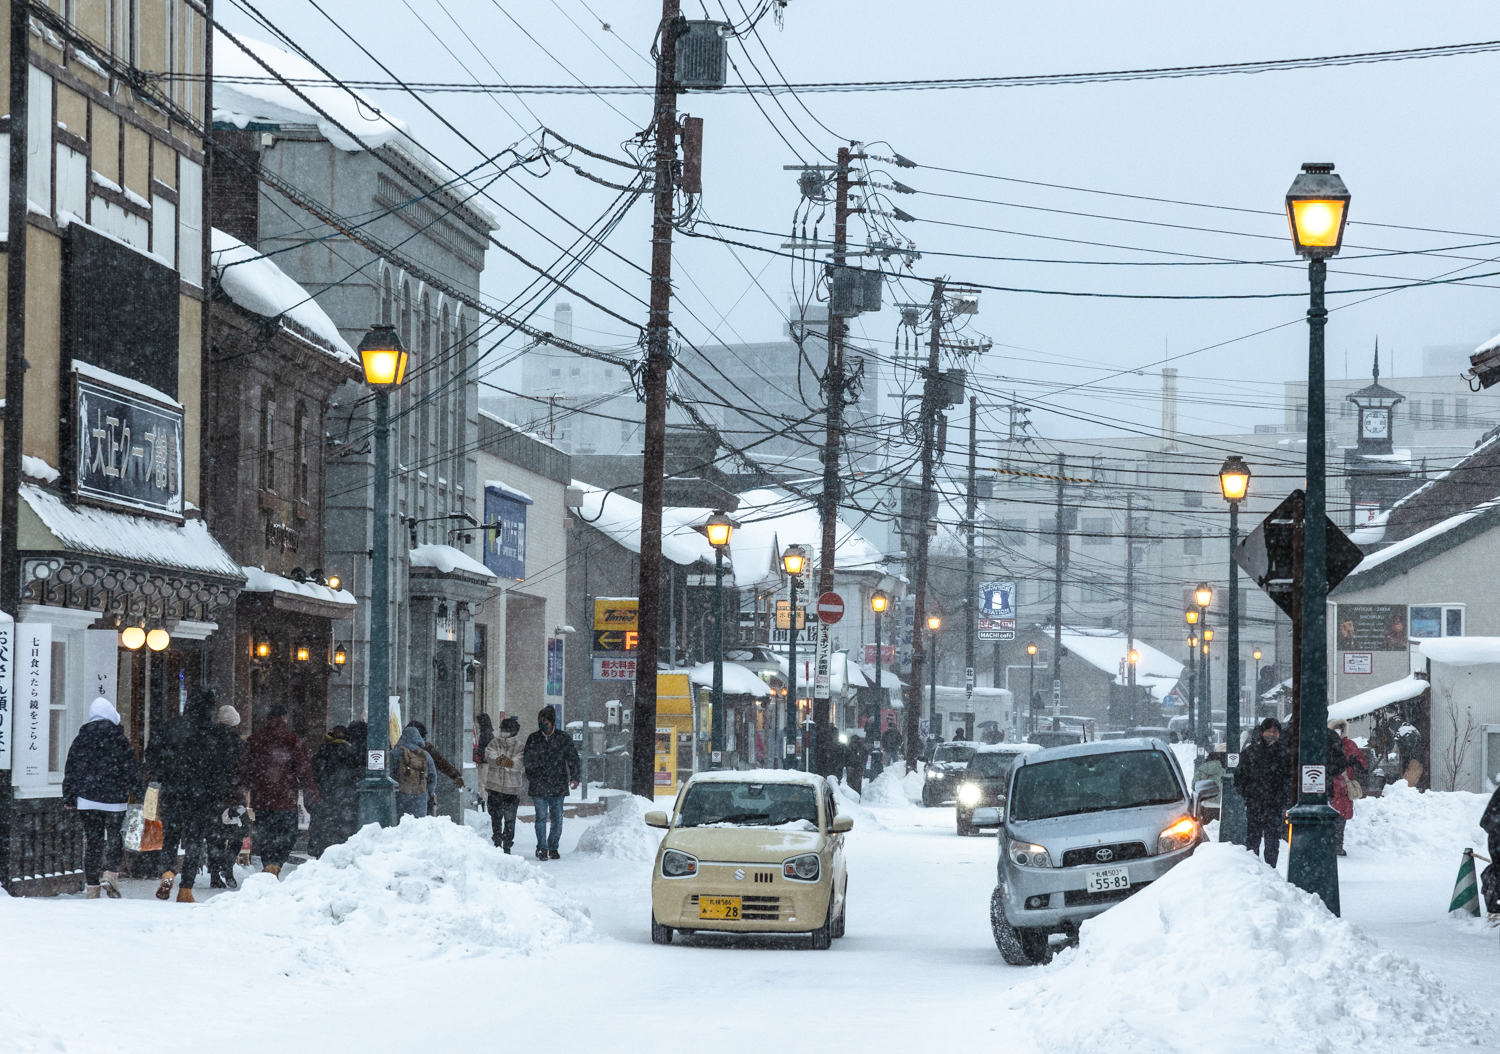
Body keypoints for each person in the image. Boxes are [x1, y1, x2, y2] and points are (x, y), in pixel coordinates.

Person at [146, 687, 241, 903]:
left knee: (170, 836)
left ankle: (168, 871)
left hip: (172, 791)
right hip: (201, 794)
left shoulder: (170, 727)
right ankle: (186, 889)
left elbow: (151, 754)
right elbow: (224, 766)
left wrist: (161, 775)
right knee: (195, 840)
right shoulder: (213, 733)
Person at [62, 699, 145, 899]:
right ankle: (110, 873)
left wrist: (69, 797)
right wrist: (141, 794)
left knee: (94, 842)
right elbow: (131, 770)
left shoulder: (81, 739)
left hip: (87, 799)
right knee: (115, 837)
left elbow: (71, 769)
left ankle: (92, 887)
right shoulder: (119, 739)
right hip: (114, 799)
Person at [235, 703, 320, 878]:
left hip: (262, 798)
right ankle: (276, 864)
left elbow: (244, 770)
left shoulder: (255, 739)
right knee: (289, 835)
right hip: (286, 799)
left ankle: (269, 865)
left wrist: (238, 793)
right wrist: (312, 794)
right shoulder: (292, 739)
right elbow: (303, 770)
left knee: (265, 836)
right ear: (285, 717)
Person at [522, 704, 580, 860]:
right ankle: (542, 847)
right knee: (541, 817)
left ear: (552, 722)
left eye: (545, 721)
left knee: (557, 818)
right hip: (538, 784)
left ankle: (553, 846)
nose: (542, 724)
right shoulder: (533, 738)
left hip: (557, 784)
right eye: (540, 721)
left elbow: (573, 758)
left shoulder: (563, 738)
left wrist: (575, 777)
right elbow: (527, 759)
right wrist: (532, 775)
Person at [1235, 717, 1292, 867]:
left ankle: (1270, 870)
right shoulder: (1250, 753)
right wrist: (1249, 795)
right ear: (1262, 732)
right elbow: (1239, 778)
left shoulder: (1285, 753)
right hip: (1255, 804)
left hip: (1275, 805)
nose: (1272, 734)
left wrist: (1283, 797)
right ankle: (1253, 869)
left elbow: (1289, 778)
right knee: (1253, 842)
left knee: (1272, 842)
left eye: (1275, 731)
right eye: (1269, 731)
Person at [206, 704, 245, 889]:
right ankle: (227, 866)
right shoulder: (240, 744)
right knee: (237, 834)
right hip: (234, 794)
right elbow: (245, 771)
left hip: (211, 794)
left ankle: (215, 875)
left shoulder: (208, 741)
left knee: (215, 837)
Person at [308, 725, 362, 856]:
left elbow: (310, 782)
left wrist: (313, 805)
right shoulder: (354, 758)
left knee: (322, 845)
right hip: (345, 808)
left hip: (323, 806)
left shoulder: (319, 757)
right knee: (342, 846)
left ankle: (321, 855)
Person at [483, 716, 525, 852]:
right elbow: (489, 755)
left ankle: (507, 844)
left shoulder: (519, 746)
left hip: (512, 789)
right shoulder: (494, 743)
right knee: (495, 817)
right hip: (494, 786)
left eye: (507, 730)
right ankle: (497, 841)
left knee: (510, 818)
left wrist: (510, 763)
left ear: (513, 731)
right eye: (503, 729)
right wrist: (499, 760)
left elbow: (520, 761)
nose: (504, 732)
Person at [406, 720, 464, 815]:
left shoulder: (398, 747)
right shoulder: (426, 748)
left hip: (402, 792)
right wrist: (456, 776)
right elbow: (441, 763)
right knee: (425, 819)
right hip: (422, 791)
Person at [1327, 719, 1364, 857]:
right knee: (1337, 817)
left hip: (1340, 786)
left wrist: (1356, 763)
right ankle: (1335, 845)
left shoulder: (1348, 745)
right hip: (1336, 785)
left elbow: (1362, 764)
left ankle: (1335, 844)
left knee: (1339, 817)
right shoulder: (1347, 745)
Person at [392, 724, 437, 819]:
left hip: (400, 796)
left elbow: (389, 775)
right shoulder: (425, 755)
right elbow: (432, 777)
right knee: (418, 825)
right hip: (420, 797)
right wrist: (429, 794)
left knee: (400, 824)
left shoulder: (394, 754)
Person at [473, 712, 495, 811]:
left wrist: (476, 752)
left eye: (478, 722)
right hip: (487, 762)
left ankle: (484, 803)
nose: (477, 724)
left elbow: (485, 749)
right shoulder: (488, 733)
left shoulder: (485, 734)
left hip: (484, 762)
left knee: (482, 783)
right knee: (484, 783)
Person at [844, 727, 867, 796]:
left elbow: (845, 756)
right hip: (858, 766)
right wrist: (863, 764)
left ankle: (850, 794)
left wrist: (847, 764)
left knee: (850, 781)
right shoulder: (861, 747)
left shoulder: (849, 747)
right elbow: (865, 756)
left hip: (851, 766)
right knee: (857, 782)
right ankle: (857, 794)